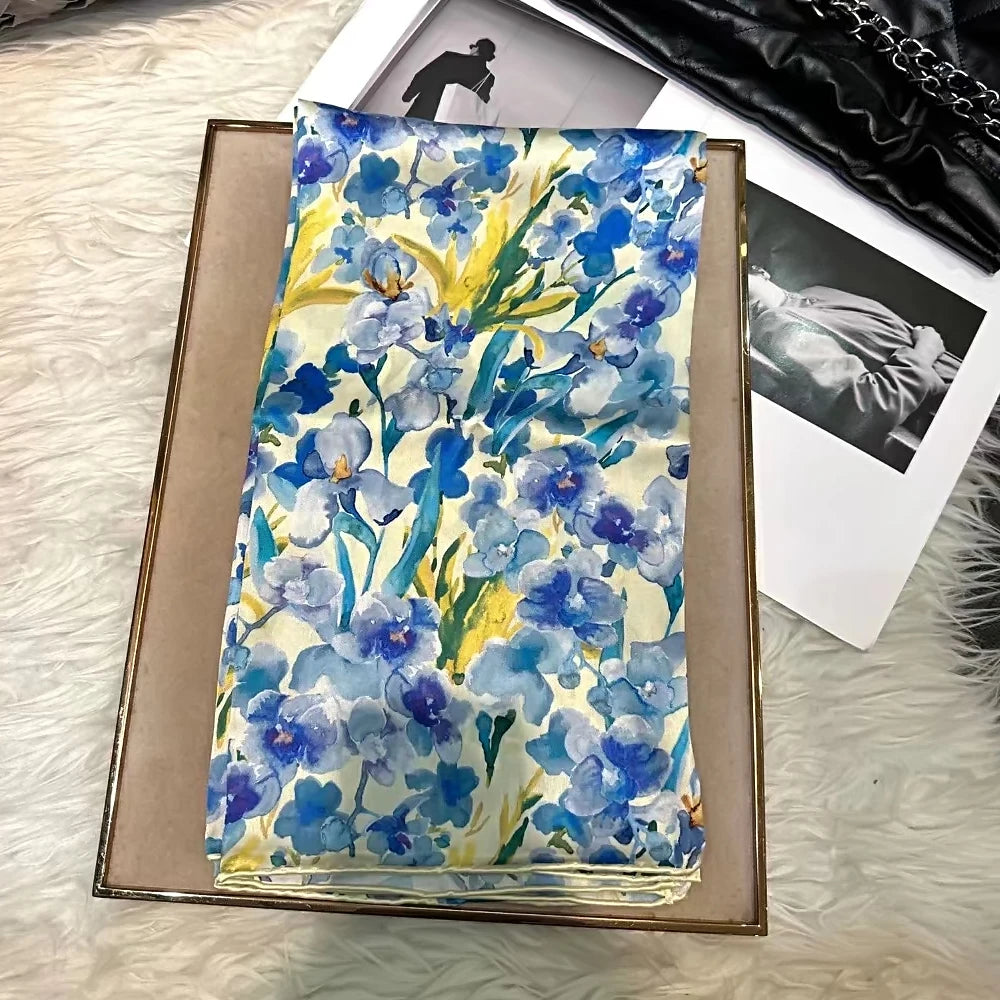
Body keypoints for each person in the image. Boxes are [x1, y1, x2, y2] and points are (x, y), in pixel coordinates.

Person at [747, 267, 956, 464]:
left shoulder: (818, 293)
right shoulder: (775, 323)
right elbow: (867, 406)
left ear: (759, 272)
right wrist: (925, 350)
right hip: (953, 430)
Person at [402, 37, 497, 120]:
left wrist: (408, 96)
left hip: (425, 111)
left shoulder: (450, 58)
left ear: (476, 49)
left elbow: (423, 75)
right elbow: (483, 101)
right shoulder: (488, 78)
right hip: (456, 123)